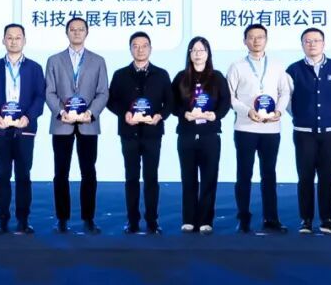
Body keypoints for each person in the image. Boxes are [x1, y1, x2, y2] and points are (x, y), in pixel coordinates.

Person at [44, 17, 109, 234]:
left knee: (88, 172)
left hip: (88, 124)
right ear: (67, 33)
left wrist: (91, 113)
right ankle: (62, 218)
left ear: (87, 33)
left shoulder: (98, 60)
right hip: (62, 123)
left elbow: (103, 92)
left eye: (81, 29)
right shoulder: (54, 60)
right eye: (73, 29)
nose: (77, 32)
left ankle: (88, 218)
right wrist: (61, 112)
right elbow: (49, 91)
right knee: (61, 172)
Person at [226, 24, 291, 234]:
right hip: (245, 128)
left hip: (271, 129)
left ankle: (271, 218)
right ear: (244, 41)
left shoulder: (277, 66)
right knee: (244, 174)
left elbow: (285, 92)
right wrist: (248, 111)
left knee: (269, 174)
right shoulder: (237, 66)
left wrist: (279, 111)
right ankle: (243, 218)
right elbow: (230, 97)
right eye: (251, 37)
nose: (256, 41)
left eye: (260, 37)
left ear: (266, 40)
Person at [107, 31, 172, 234]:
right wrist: (124, 113)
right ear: (130, 49)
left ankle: (152, 221)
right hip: (129, 133)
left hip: (153, 133)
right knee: (131, 178)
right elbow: (110, 100)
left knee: (151, 178)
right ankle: (132, 221)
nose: (140, 49)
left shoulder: (161, 74)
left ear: (150, 49)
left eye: (144, 46)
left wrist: (160, 116)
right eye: (135, 46)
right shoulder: (120, 74)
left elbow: (170, 102)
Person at [286, 27, 331, 235]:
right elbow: (287, 101)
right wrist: (302, 116)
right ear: (302, 45)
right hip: (304, 132)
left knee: (327, 176)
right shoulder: (293, 70)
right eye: (307, 41)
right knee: (305, 176)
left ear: (324, 43)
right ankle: (306, 220)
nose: (312, 44)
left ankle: (327, 219)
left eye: (316, 40)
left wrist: (330, 116)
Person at [0, 24, 46, 234]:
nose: (13, 41)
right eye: (9, 37)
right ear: (3, 40)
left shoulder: (35, 68)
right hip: (1, 129)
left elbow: (40, 96)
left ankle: (23, 219)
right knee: (2, 175)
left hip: (24, 129)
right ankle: (2, 219)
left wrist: (28, 117)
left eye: (18, 37)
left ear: (24, 41)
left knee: (23, 175)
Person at [171, 36, 231, 234]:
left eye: (202, 50)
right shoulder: (181, 77)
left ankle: (206, 220)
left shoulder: (217, 77)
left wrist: (215, 115)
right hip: (187, 134)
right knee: (188, 178)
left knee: (209, 178)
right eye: (194, 50)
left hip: (210, 135)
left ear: (208, 53)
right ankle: (189, 219)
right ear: (189, 54)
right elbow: (172, 103)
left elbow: (225, 102)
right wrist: (184, 114)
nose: (198, 54)